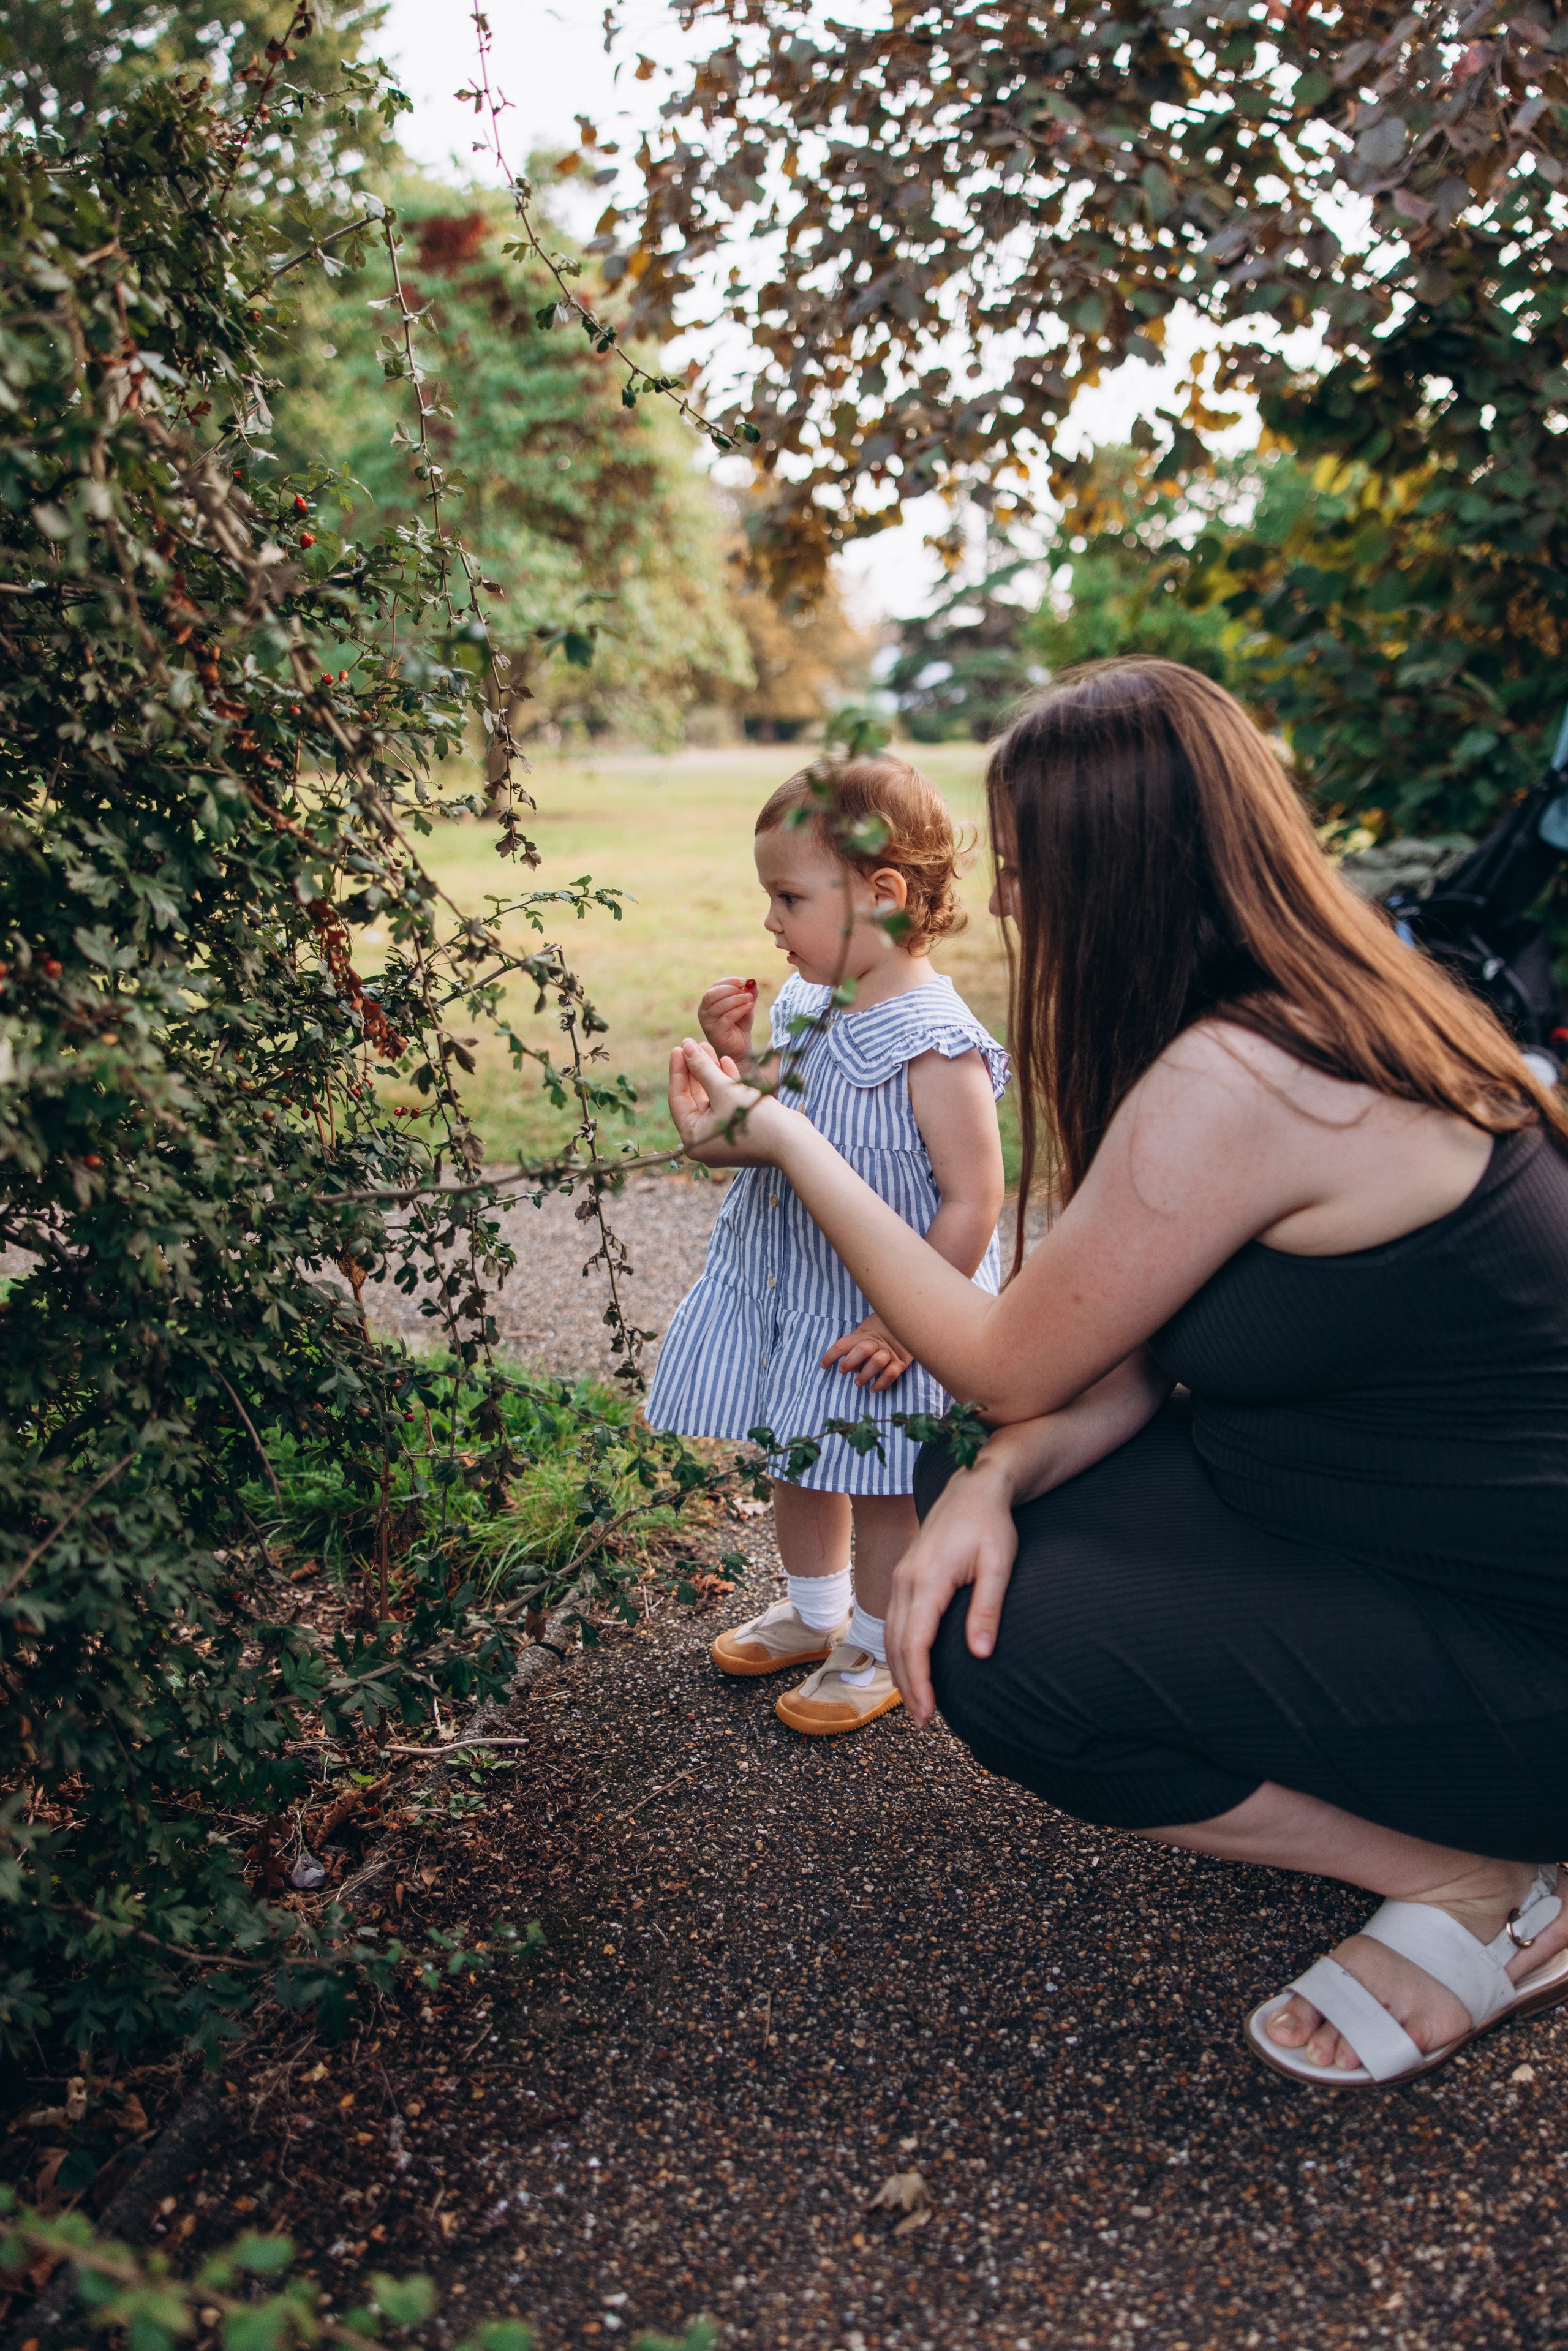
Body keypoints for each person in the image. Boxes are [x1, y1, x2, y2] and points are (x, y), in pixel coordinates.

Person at [665, 659, 1568, 2090]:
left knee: (995, 1652)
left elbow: (994, 1350)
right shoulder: (1322, 1001)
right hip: (1402, 1543)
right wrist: (998, 1471)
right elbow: (1108, 1356)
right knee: (968, 1477)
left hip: (1525, 1647)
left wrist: (785, 1141)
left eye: (1024, 869)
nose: (1008, 901)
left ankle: (1482, 1879)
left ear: (1120, 873)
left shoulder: (1247, 1078)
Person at [646, 755, 1009, 1735]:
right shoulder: (811, 1002)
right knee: (798, 1454)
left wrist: (905, 1318)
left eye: (789, 896)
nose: (770, 922)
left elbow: (977, 1199)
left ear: (881, 898)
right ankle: (815, 1613)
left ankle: (883, 1642)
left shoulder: (936, 1041)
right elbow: (776, 1115)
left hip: (894, 1308)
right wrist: (734, 1061)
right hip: (803, 1290)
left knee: (884, 1478)